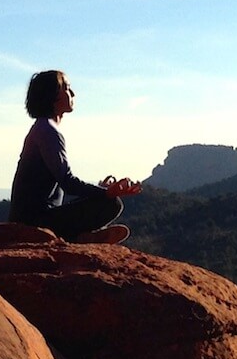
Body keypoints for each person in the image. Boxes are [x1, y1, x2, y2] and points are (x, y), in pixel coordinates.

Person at [8, 70, 141, 244]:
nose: (73, 93)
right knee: (111, 204)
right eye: (67, 88)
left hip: (34, 217)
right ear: (52, 95)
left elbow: (64, 184)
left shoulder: (42, 128)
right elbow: (68, 183)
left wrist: (98, 190)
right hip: (34, 222)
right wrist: (107, 193)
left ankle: (80, 237)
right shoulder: (47, 131)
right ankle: (77, 238)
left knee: (103, 199)